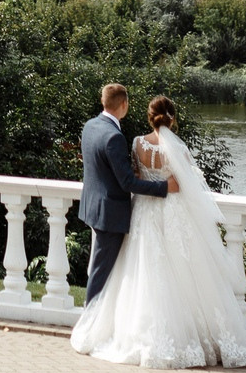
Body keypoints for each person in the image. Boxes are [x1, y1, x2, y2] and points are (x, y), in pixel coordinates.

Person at [70, 94, 246, 368]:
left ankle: (129, 330)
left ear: (150, 116)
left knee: (142, 270)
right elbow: (183, 185)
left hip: (143, 213)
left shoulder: (136, 143)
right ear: (172, 118)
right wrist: (167, 186)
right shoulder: (178, 151)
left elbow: (133, 175)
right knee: (186, 273)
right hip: (173, 212)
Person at [71, 82, 173, 311]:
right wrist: (164, 187)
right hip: (110, 215)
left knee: (104, 269)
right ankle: (89, 320)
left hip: (93, 207)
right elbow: (127, 182)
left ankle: (98, 317)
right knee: (101, 272)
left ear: (103, 102)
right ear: (124, 104)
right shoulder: (114, 137)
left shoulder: (90, 126)